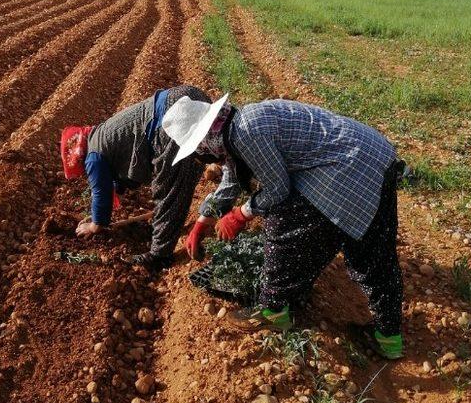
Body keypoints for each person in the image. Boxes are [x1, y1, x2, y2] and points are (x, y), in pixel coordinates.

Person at [162, 94, 405, 360]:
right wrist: (203, 220)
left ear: (205, 141)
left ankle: (273, 311)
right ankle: (389, 338)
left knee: (284, 223)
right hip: (375, 156)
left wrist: (241, 214)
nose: (204, 158)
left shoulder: (245, 134)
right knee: (373, 252)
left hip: (345, 167)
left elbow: (278, 190)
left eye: (199, 152)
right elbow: (233, 174)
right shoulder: (235, 124)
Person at [60, 85, 211, 269]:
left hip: (171, 117)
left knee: (170, 189)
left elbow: (101, 193)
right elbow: (123, 171)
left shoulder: (92, 157)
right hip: (189, 97)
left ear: (77, 157)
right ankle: (203, 213)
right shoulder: (99, 135)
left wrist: (95, 224)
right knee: (188, 171)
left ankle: (159, 255)